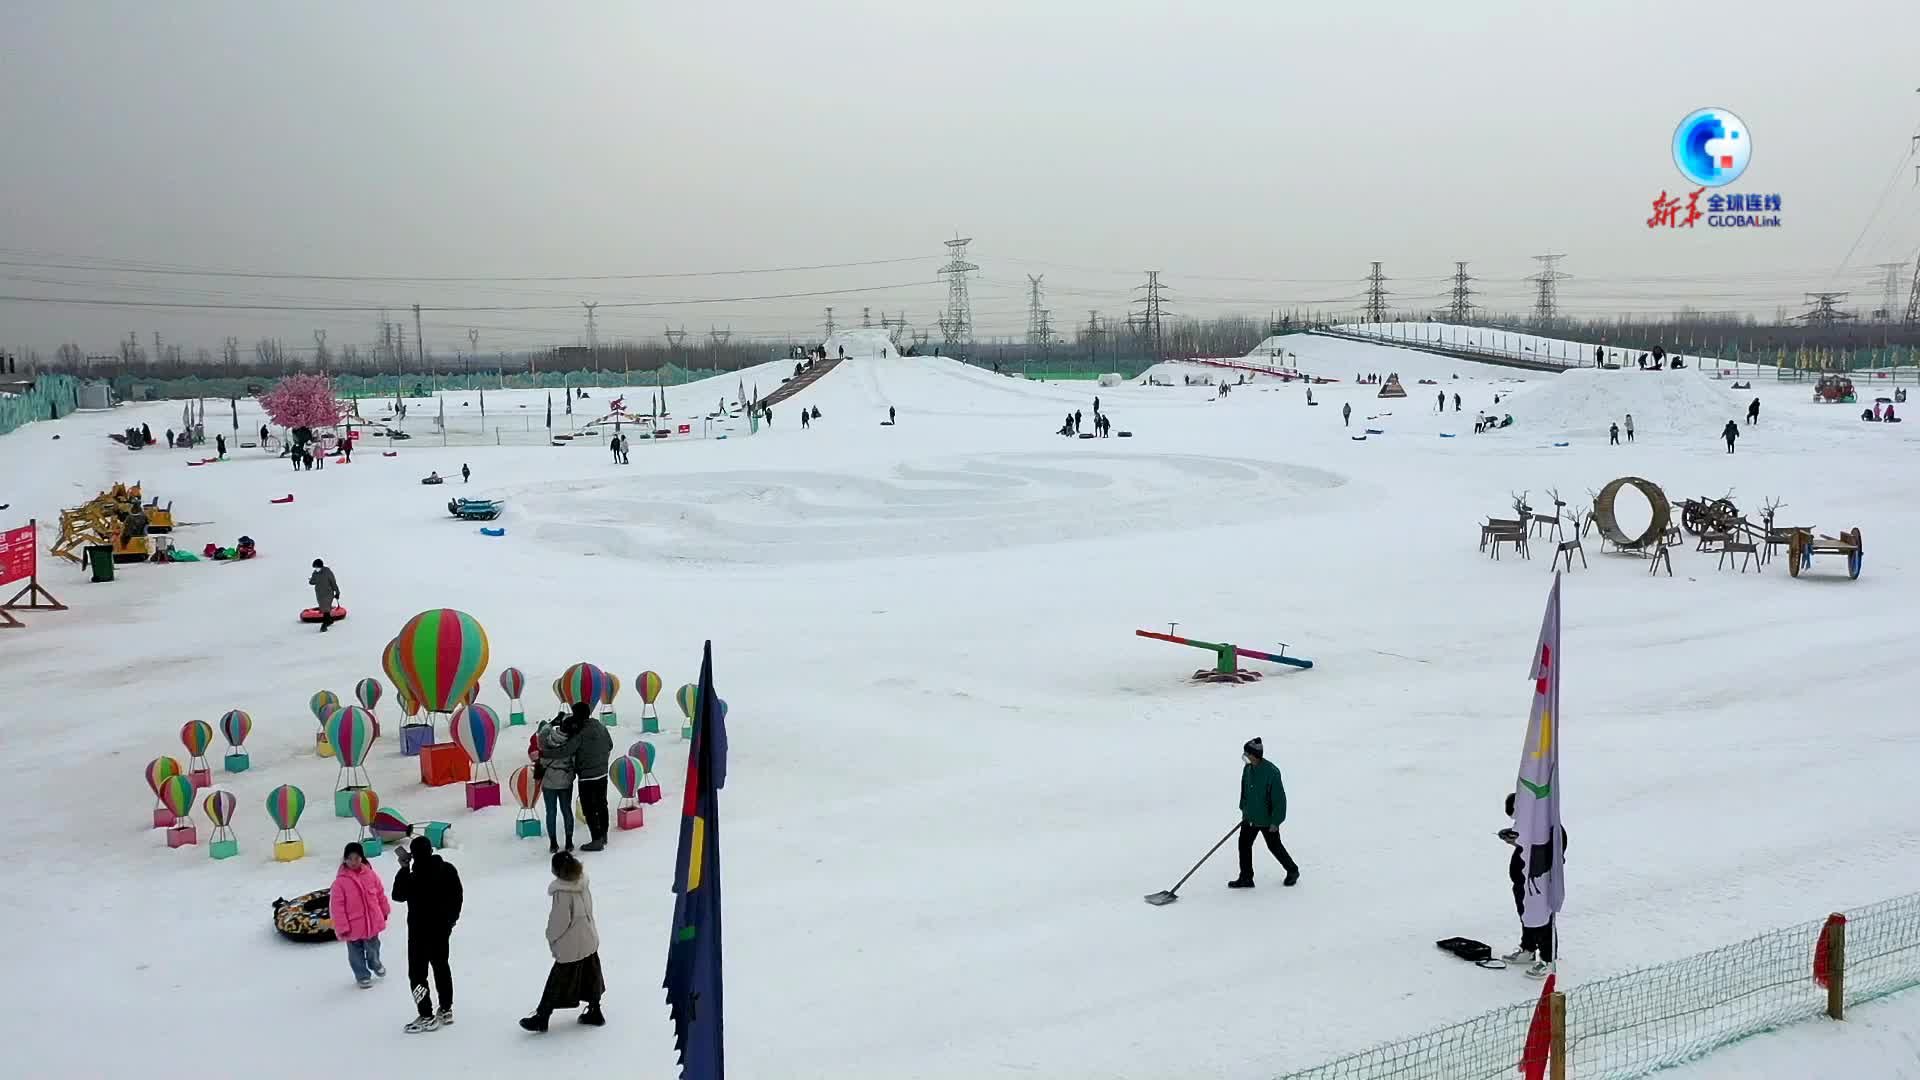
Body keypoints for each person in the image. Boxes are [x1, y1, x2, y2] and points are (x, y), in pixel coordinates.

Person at [519, 852, 606, 1032]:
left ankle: (542, 1017)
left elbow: (559, 922)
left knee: (557, 981)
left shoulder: (562, 893)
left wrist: (550, 936)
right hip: (588, 938)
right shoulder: (583, 883)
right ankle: (595, 1010)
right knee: (591, 975)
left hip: (571, 946)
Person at [393, 836, 462, 1033]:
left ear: (412, 855)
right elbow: (458, 896)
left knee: (417, 975)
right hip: (441, 930)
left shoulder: (413, 876)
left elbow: (397, 895)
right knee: (441, 968)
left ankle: (426, 1014)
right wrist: (451, 921)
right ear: (431, 851)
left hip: (418, 933)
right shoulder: (448, 870)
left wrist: (404, 868)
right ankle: (446, 1008)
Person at [1501, 793, 1568, 978]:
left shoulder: (1550, 828)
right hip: (1522, 881)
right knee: (1526, 914)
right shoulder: (1529, 824)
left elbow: (1551, 853)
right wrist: (1514, 840)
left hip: (1539, 885)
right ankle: (1528, 948)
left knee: (1542, 918)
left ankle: (1548, 958)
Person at [1229, 738, 1298, 889]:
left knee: (1274, 846)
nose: (1245, 756)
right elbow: (1245, 791)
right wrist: (1244, 809)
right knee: (1244, 845)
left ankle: (1292, 870)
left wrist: (1276, 821)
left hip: (1267, 820)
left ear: (1254, 755)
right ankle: (1246, 877)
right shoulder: (1247, 769)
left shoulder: (1272, 773)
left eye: (1247, 753)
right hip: (1250, 818)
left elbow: (1279, 799)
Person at [331, 842, 392, 988]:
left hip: (371, 922)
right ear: (345, 860)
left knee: (374, 947)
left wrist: (384, 910)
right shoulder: (340, 883)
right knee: (355, 953)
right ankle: (362, 975)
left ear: (362, 859)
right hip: (353, 926)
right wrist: (342, 926)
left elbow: (379, 894)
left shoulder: (370, 875)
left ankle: (375, 963)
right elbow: (336, 908)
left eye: (357, 858)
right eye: (350, 858)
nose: (353, 862)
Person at [565, 700, 614, 851]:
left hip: (586, 777)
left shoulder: (580, 733)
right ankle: (604, 835)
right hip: (602, 774)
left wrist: (546, 753)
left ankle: (596, 840)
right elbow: (610, 745)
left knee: (589, 809)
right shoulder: (600, 727)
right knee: (602, 804)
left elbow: (567, 750)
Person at [537, 714, 577, 853]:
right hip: (565, 782)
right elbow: (575, 762)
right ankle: (569, 841)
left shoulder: (546, 738)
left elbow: (542, 732)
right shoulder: (572, 742)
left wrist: (552, 722)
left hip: (548, 782)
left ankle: (553, 843)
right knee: (567, 810)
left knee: (551, 812)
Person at [309, 559, 341, 633]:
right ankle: (330, 620)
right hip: (319, 594)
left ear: (321, 566)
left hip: (328, 594)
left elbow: (333, 583)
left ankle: (324, 625)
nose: (316, 569)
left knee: (326, 609)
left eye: (317, 567)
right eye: (315, 567)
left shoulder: (328, 572)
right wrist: (311, 581)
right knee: (324, 609)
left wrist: (337, 592)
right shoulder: (315, 573)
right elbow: (312, 582)